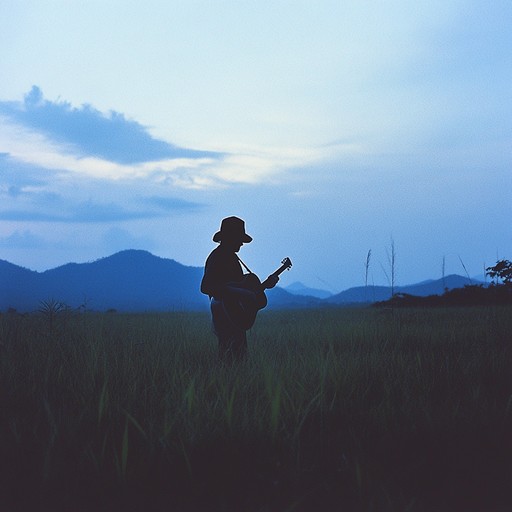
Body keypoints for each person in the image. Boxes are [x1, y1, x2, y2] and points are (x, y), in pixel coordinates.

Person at [201, 216, 278, 362]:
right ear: (230, 238)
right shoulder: (217, 257)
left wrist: (262, 287)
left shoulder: (233, 258)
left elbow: (242, 288)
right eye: (239, 239)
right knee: (230, 359)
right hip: (225, 318)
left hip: (234, 317)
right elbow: (206, 286)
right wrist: (239, 292)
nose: (242, 244)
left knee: (237, 359)